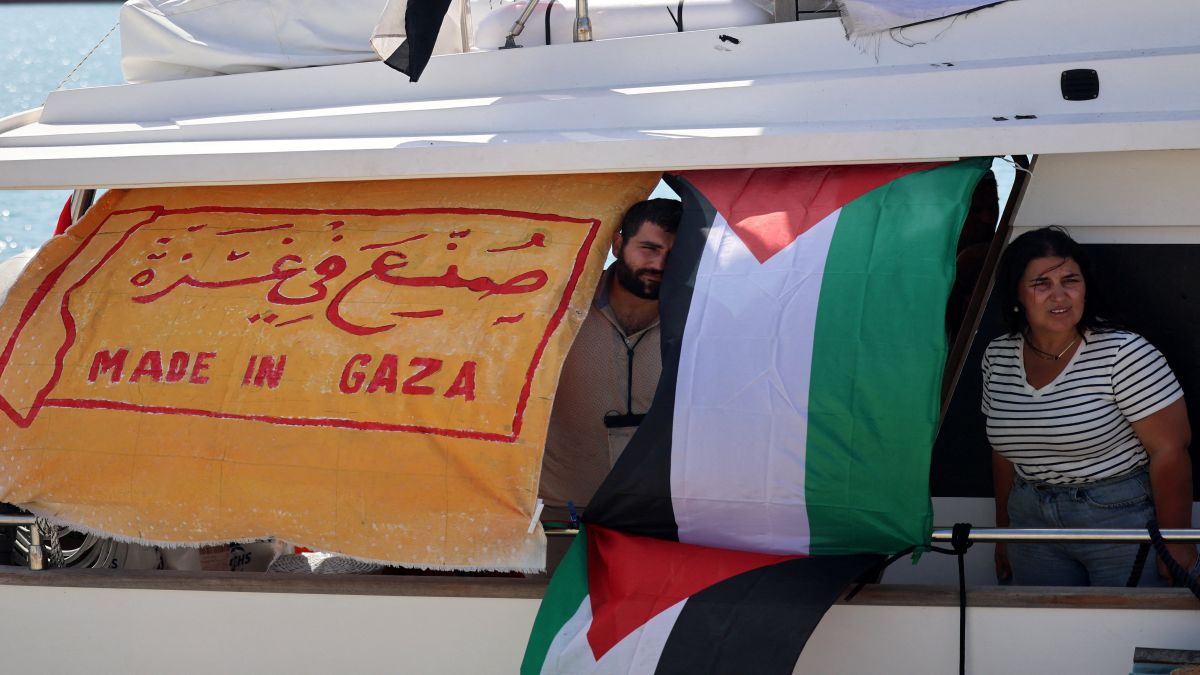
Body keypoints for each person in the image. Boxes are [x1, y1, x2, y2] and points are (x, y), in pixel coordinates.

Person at [983, 227, 1196, 586]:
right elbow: (1003, 453)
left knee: (1128, 633)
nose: (1059, 295)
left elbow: (1170, 450)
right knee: (1046, 635)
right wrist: (1003, 532)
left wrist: (1175, 543)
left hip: (1118, 519)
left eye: (1070, 280)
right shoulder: (998, 354)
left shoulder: (1124, 353)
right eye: (1041, 283)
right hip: (1030, 523)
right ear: (1017, 293)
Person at [538, 198, 680, 527]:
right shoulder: (558, 308)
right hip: (559, 515)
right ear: (618, 244)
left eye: (674, 254)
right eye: (649, 248)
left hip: (656, 518)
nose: (659, 265)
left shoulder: (700, 323)